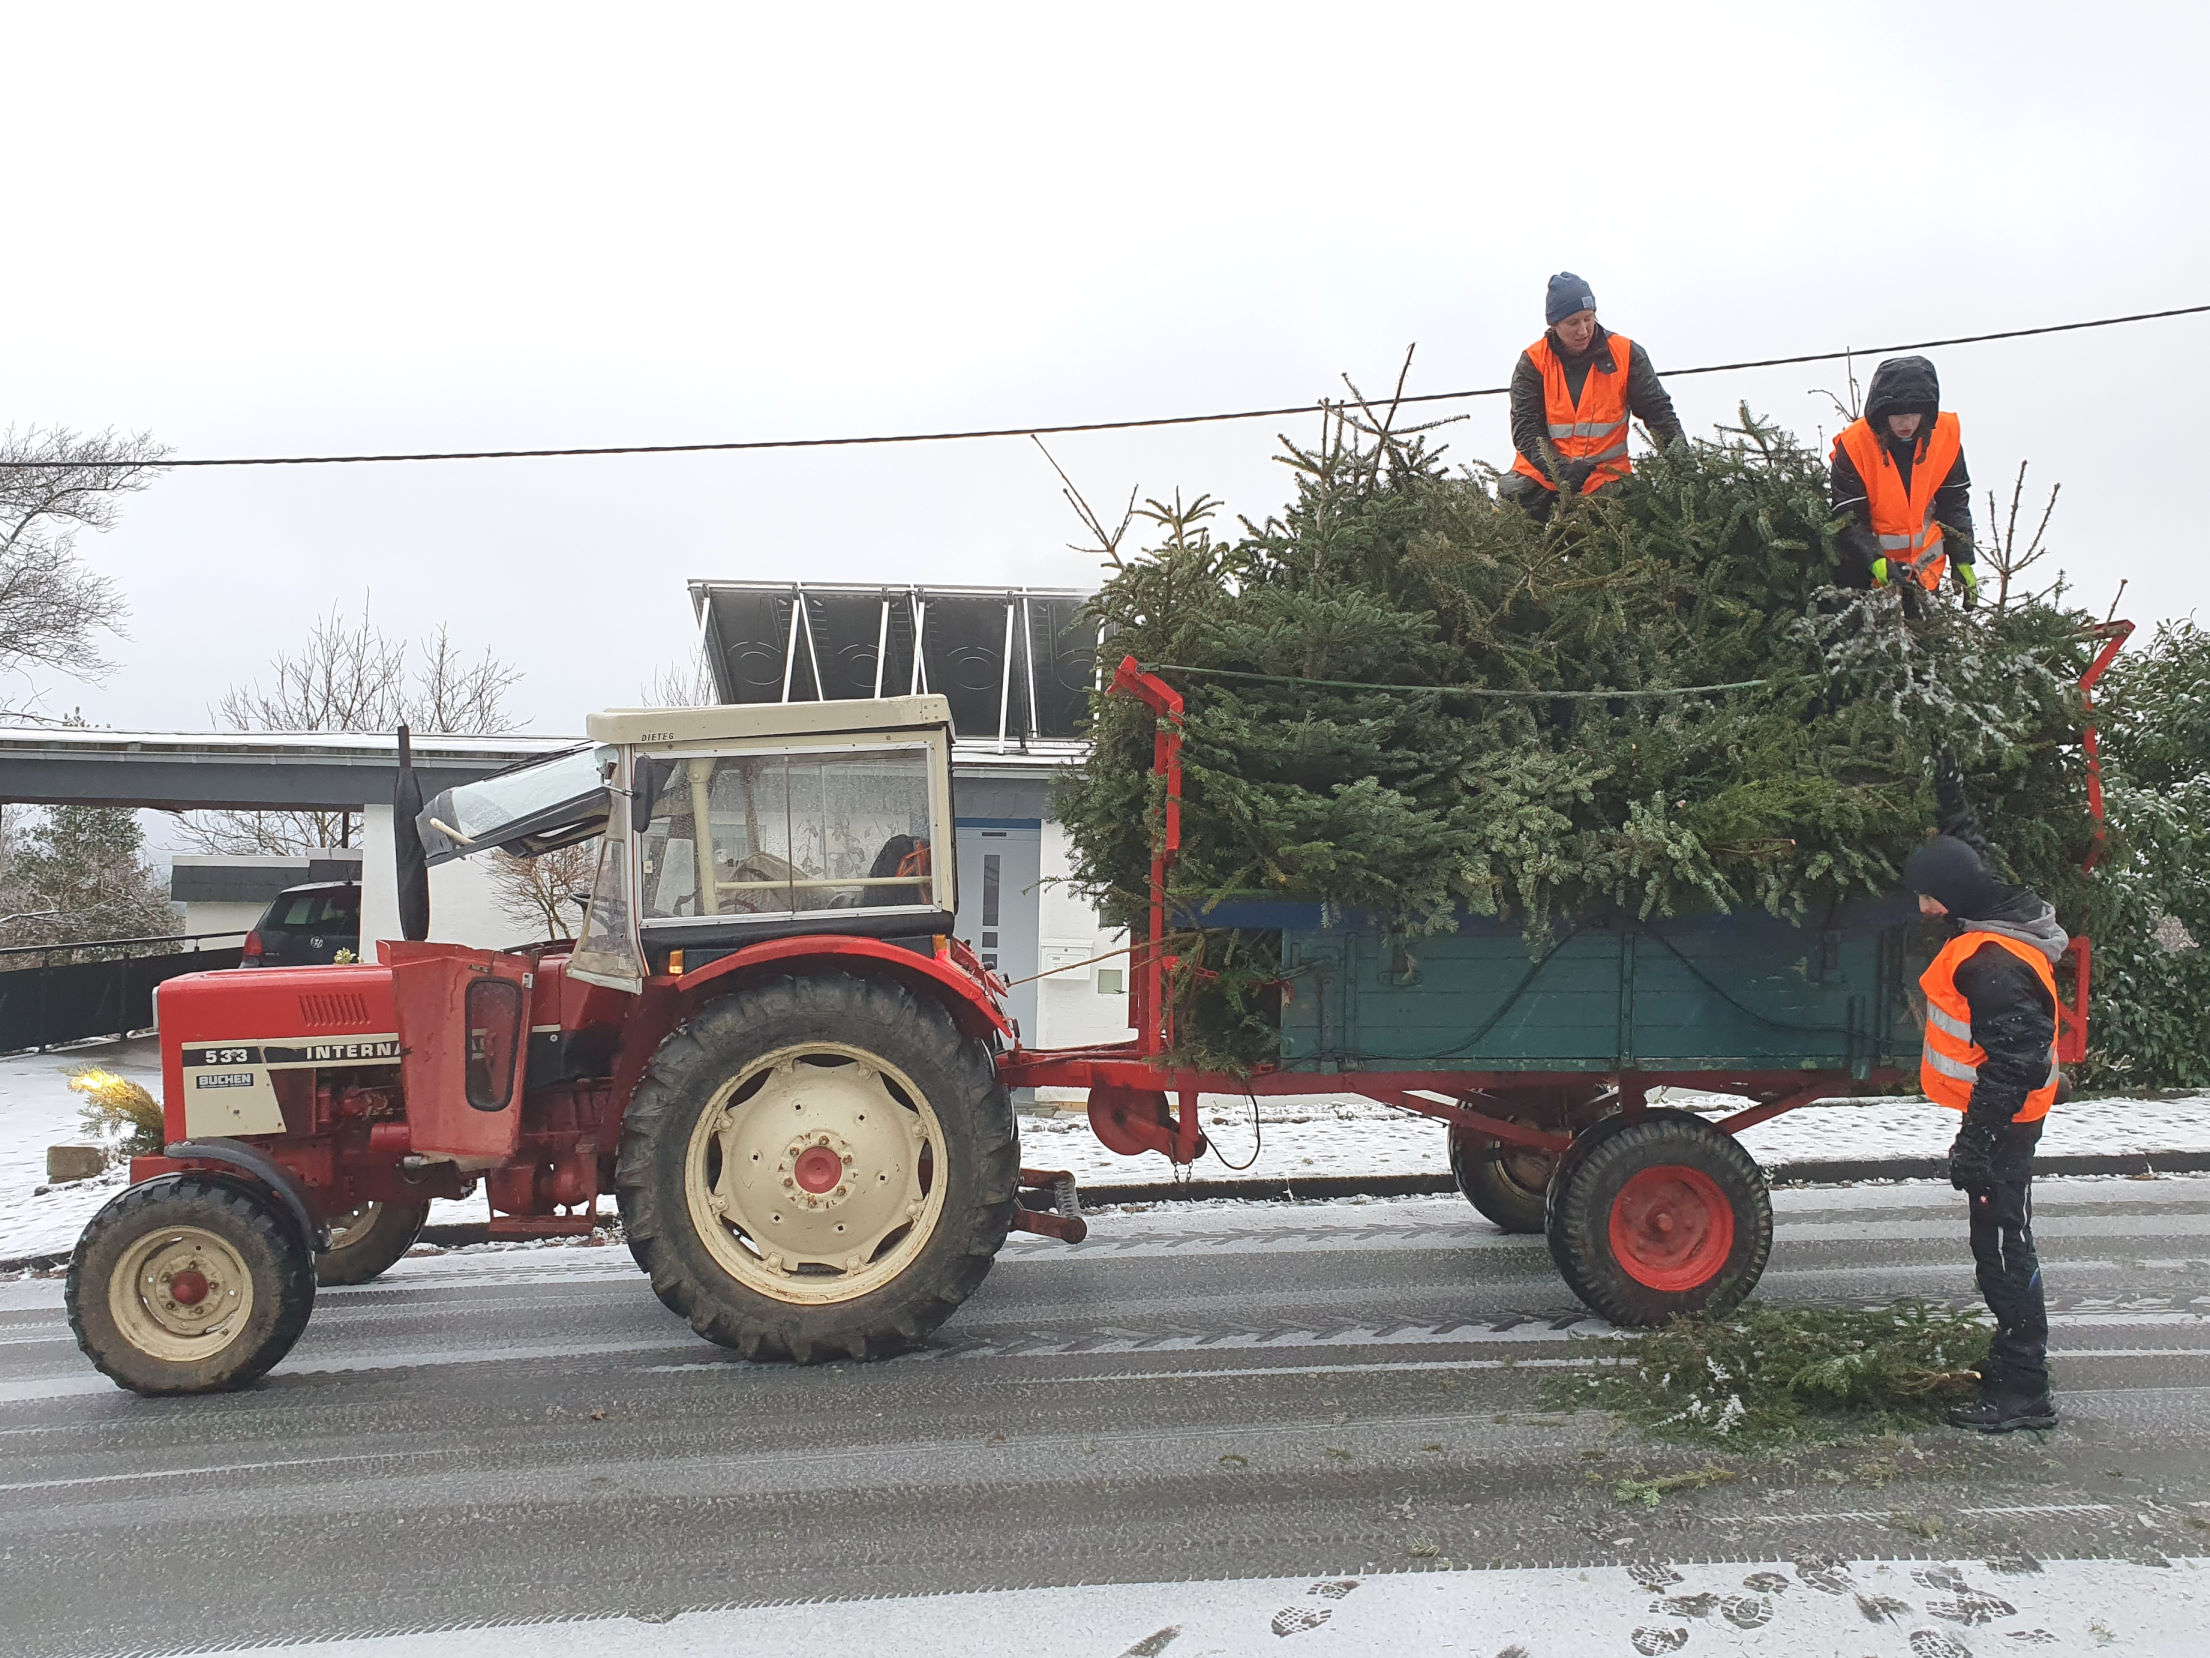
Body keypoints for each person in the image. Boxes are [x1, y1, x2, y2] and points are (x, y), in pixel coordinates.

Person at [1901, 755, 2066, 1432]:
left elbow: (2016, 1061)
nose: (1921, 907)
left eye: (1926, 895)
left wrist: (1977, 1141)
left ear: (1951, 896)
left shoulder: (1992, 963)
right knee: (1998, 1242)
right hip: (2006, 1119)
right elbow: (1970, 860)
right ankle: (2013, 1370)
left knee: (2004, 1248)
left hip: (2007, 1122)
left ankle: (2024, 1389)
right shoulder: (1993, 908)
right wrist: (1951, 796)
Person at [1502, 272, 1684, 520]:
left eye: (1589, 318)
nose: (1583, 330)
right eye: (1573, 322)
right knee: (1507, 527)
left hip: (1606, 480)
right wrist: (1559, 470)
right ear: (1554, 325)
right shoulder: (1533, 361)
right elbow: (1525, 428)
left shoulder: (1626, 354)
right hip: (1539, 477)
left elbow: (1659, 413)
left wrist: (1684, 467)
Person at [1830, 356, 1977, 605]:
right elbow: (1848, 517)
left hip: (1926, 576)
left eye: (1913, 414)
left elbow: (1954, 504)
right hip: (1867, 578)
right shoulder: (1855, 445)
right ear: (1882, 413)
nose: (1906, 423)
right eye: (1897, 415)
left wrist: (1963, 558)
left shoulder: (1946, 438)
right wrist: (1876, 562)